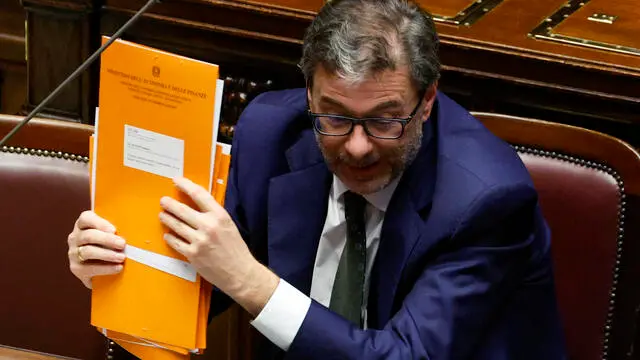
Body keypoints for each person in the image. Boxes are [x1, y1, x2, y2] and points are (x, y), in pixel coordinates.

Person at [67, 0, 567, 358]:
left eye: (384, 120)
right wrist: (120, 265)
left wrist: (249, 280)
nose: (357, 145)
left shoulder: (485, 202)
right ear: (309, 93)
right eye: (334, 117)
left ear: (428, 100)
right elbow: (202, 284)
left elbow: (402, 355)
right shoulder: (269, 135)